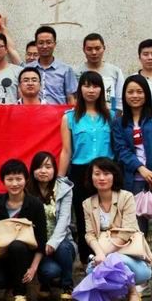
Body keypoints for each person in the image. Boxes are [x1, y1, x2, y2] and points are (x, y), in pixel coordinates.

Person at [112, 74, 152, 300]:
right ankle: (142, 279)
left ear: (146, 94)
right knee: (136, 233)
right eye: (130, 92)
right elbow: (121, 150)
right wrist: (142, 170)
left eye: (139, 91)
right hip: (134, 181)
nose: (135, 95)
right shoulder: (119, 122)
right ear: (124, 95)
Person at [58, 71, 113, 264]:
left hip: (107, 172)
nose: (91, 90)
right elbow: (66, 150)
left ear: (101, 90)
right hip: (81, 172)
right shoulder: (69, 117)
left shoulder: (111, 116)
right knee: (83, 217)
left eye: (95, 86)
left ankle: (109, 259)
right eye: (87, 85)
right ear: (80, 89)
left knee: (108, 215)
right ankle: (86, 261)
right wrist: (60, 180)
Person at [0, 159, 46, 301]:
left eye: (19, 179)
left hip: (25, 255)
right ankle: (14, 283)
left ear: (26, 180)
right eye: (10, 179)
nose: (14, 184)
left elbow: (41, 240)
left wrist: (33, 268)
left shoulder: (35, 204)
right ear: (3, 181)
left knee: (17, 245)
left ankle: (20, 293)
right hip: (1, 256)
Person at [83, 158, 151, 301]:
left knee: (113, 261)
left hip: (133, 261)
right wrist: (99, 253)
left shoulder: (126, 197)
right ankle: (116, 294)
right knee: (90, 270)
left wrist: (104, 254)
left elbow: (127, 231)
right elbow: (89, 235)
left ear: (114, 176)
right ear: (91, 177)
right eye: (97, 174)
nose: (102, 178)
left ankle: (132, 291)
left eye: (106, 173)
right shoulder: (87, 204)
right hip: (104, 256)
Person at [28, 152, 76, 300]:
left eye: (48, 167)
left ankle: (67, 285)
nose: (43, 171)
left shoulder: (64, 189)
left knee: (63, 247)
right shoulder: (26, 190)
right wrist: (41, 245)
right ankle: (45, 283)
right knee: (50, 271)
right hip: (38, 245)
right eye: (39, 167)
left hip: (61, 241)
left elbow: (64, 220)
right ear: (33, 170)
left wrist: (53, 242)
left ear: (55, 169)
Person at [26, 26, 77, 105]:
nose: (45, 46)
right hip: (34, 112)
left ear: (54, 44)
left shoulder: (66, 70)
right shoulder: (27, 69)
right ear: (36, 44)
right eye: (41, 43)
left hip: (59, 112)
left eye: (48, 42)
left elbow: (71, 98)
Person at [75, 33, 124, 112]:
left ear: (104, 48)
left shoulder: (115, 71)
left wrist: (116, 116)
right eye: (89, 49)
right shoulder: (76, 72)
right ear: (84, 50)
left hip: (109, 115)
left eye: (97, 48)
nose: (94, 52)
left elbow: (120, 100)